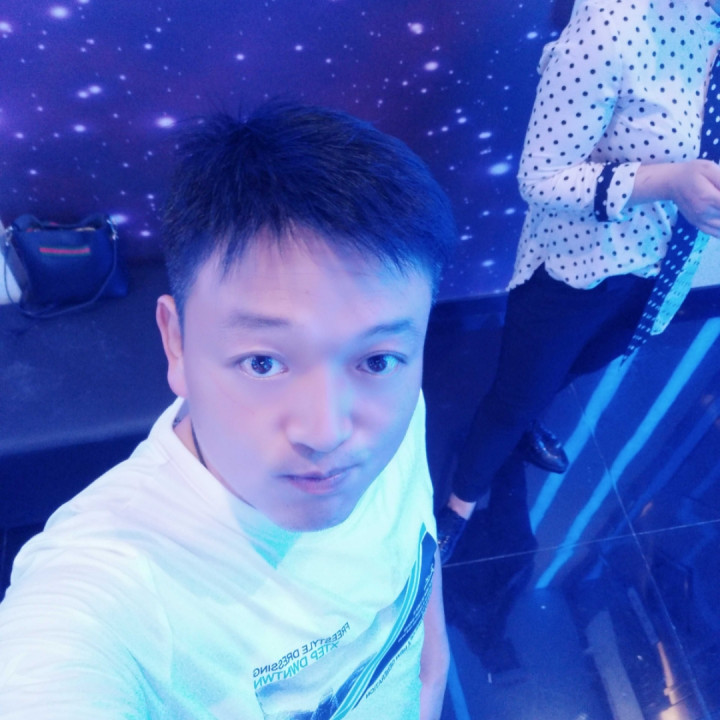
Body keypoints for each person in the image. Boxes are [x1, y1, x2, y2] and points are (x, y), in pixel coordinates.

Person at [0, 101, 458, 719]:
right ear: (176, 343)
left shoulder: (397, 400)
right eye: (263, 362)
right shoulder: (113, 585)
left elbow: (414, 558)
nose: (327, 432)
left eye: (375, 359)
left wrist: (432, 676)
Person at [437, 0, 720, 563]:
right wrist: (669, 181)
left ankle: (525, 423)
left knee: (578, 367)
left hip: (664, 265)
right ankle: (456, 508)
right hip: (579, 267)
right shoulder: (612, 25)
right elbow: (540, 179)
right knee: (512, 398)